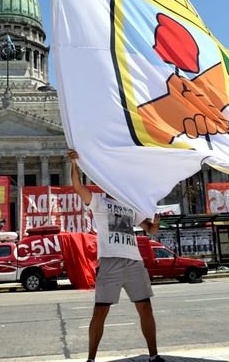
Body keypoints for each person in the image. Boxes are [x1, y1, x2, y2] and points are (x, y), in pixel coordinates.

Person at [68, 149, 165, 362]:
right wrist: (74, 164)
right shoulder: (99, 202)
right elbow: (77, 187)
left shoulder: (130, 206)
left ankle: (154, 355)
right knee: (100, 311)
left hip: (134, 262)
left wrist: (156, 223)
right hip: (110, 261)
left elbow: (150, 230)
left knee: (145, 308)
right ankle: (91, 359)